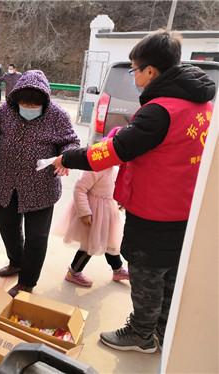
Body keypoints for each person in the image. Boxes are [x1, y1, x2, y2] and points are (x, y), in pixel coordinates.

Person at [52, 28, 215, 353]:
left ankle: (141, 334)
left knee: (146, 273)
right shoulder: (202, 103)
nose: (134, 75)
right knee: (169, 274)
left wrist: (66, 157)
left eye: (135, 69)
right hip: (186, 208)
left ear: (150, 71)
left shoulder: (160, 111)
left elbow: (113, 151)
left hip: (155, 211)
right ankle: (162, 329)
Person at [0, 69, 80, 297]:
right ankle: (16, 262)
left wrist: (65, 159)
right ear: (16, 98)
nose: (28, 109)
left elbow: (71, 142)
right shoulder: (6, 111)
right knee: (7, 226)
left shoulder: (58, 115)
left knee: (36, 237)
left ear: (44, 101)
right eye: (24, 104)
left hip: (40, 186)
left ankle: (28, 281)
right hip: (7, 182)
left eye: (33, 105)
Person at [52, 133, 128, 287]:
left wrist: (120, 199)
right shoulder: (95, 168)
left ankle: (118, 269)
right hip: (94, 213)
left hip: (108, 211)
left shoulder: (116, 167)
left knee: (110, 241)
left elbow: (114, 184)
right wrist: (84, 212)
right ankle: (74, 272)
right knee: (89, 245)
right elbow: (79, 189)